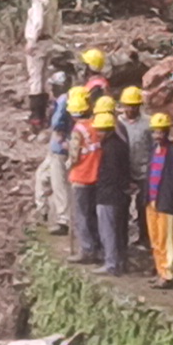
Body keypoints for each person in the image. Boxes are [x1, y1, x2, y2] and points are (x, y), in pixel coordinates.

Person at [145, 112, 173, 288]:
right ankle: (160, 270)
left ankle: (168, 274)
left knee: (167, 239)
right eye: (155, 132)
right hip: (151, 199)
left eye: (160, 132)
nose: (157, 135)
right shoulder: (153, 151)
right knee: (155, 238)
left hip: (166, 201)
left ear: (167, 132)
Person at [32, 76, 75, 235]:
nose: (52, 89)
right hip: (55, 148)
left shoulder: (64, 100)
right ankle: (42, 210)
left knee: (60, 184)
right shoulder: (62, 100)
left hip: (60, 149)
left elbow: (57, 124)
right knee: (42, 176)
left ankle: (63, 220)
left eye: (54, 86)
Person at [65, 92, 105, 265]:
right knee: (93, 215)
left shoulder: (77, 131)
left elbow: (74, 156)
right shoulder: (96, 125)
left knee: (81, 216)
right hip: (96, 175)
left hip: (81, 177)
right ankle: (98, 248)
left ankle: (87, 250)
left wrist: (67, 166)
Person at [91, 106, 130, 276]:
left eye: (100, 131)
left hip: (108, 195)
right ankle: (119, 262)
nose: (97, 134)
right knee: (118, 230)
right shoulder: (120, 144)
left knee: (108, 231)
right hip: (119, 195)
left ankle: (111, 263)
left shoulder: (109, 148)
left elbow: (112, 173)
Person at [22, 0, 60, 130]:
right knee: (44, 78)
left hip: (38, 42)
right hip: (49, 41)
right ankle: (43, 115)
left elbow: (37, 22)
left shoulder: (38, 1)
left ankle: (35, 116)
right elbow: (58, 21)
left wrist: (31, 41)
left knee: (35, 78)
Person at [116, 87, 152, 245]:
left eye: (134, 106)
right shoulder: (116, 123)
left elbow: (153, 146)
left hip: (144, 169)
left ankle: (145, 237)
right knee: (121, 206)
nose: (130, 109)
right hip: (124, 170)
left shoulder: (147, 123)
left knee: (143, 206)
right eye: (128, 106)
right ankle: (122, 237)